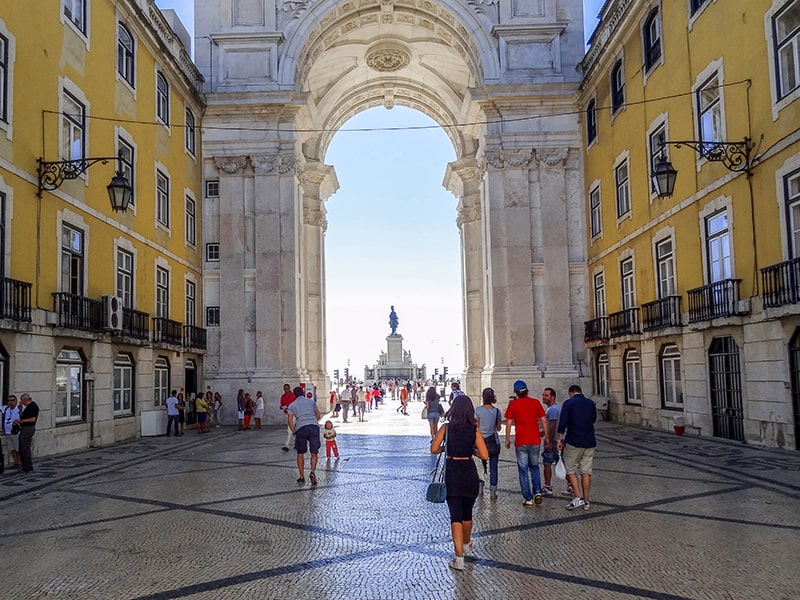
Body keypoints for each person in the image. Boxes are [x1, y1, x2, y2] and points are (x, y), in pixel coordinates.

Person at [430, 395, 489, 571]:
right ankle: (466, 543)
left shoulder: (446, 428)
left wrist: (446, 448)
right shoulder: (474, 430)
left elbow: (434, 449)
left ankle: (458, 558)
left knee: (455, 515)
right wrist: (472, 451)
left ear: (453, 409)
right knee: (467, 513)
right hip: (469, 471)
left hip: (453, 472)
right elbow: (485, 454)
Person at [504, 380, 549, 507]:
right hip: (535, 440)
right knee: (534, 466)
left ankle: (528, 498)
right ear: (527, 390)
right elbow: (544, 420)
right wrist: (546, 436)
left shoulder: (513, 405)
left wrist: (507, 439)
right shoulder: (535, 402)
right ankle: (538, 492)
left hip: (521, 441)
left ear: (516, 392)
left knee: (523, 469)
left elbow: (508, 423)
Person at [557, 385, 597, 510]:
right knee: (586, 471)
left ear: (571, 393)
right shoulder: (590, 403)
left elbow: (562, 423)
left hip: (574, 441)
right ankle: (586, 500)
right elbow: (593, 419)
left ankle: (578, 497)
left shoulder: (568, 403)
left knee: (571, 469)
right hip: (590, 441)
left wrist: (559, 440)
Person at [287, 386, 322, 485]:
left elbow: (290, 420)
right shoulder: (311, 402)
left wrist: (294, 431)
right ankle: (312, 472)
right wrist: (312, 421)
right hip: (313, 426)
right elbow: (318, 416)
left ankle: (301, 476)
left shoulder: (292, 405)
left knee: (300, 453)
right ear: (303, 393)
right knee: (314, 452)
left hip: (301, 428)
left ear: (294, 395)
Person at [475, 388, 502, 499]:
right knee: (493, 467)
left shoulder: (477, 410)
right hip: (494, 441)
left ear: (483, 397)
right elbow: (499, 428)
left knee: (481, 467)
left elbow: (476, 427)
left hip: (481, 442)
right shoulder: (497, 411)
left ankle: (480, 488)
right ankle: (493, 491)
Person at [541, 387, 561, 496]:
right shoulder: (556, 408)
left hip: (553, 440)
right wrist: (542, 433)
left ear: (553, 397)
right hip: (557, 440)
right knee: (562, 463)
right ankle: (570, 486)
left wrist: (548, 440)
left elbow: (553, 425)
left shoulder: (552, 409)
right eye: (543, 395)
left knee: (547, 463)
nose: (544, 397)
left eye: (546, 395)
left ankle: (548, 486)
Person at [17, 393, 39, 473]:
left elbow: (33, 419)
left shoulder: (33, 406)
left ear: (25, 400)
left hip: (28, 428)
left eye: (21, 400)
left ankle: (28, 467)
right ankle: (24, 466)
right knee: (22, 447)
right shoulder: (27, 407)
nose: (21, 402)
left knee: (25, 447)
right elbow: (23, 416)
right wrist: (20, 409)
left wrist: (21, 421)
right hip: (25, 428)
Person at [1, 395, 22, 471]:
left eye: (12, 400)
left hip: (16, 432)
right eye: (9, 400)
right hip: (7, 432)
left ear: (16, 401)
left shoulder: (19, 408)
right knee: (11, 448)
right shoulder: (5, 408)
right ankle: (15, 462)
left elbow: (24, 417)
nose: (10, 402)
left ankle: (19, 462)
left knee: (17, 448)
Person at [280, 383, 296, 450]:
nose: (286, 390)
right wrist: (282, 407)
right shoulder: (283, 396)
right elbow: (281, 404)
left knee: (289, 429)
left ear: (289, 388)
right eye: (284, 389)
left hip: (293, 414)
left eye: (287, 388)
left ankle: (287, 445)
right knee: (292, 429)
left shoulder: (293, 396)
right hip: (286, 414)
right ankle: (297, 443)